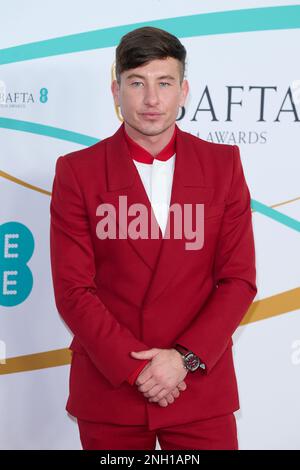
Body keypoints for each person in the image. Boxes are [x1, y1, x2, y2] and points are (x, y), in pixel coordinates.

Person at [50, 26, 257, 450]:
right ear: (115, 90)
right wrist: (138, 369)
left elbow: (238, 280)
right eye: (137, 83)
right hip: (112, 389)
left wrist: (183, 359)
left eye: (164, 83)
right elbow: (73, 290)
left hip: (197, 385)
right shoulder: (77, 171)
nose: (151, 99)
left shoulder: (224, 165)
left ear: (183, 91)